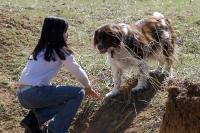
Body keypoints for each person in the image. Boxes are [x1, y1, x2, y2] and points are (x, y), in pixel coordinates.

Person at [17, 16, 99, 133]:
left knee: (64, 100)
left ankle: (33, 121)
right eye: (65, 31)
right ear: (58, 33)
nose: (67, 34)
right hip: (35, 93)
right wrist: (88, 86)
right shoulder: (60, 50)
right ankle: (56, 130)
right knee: (78, 93)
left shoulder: (40, 49)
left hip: (22, 95)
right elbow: (76, 69)